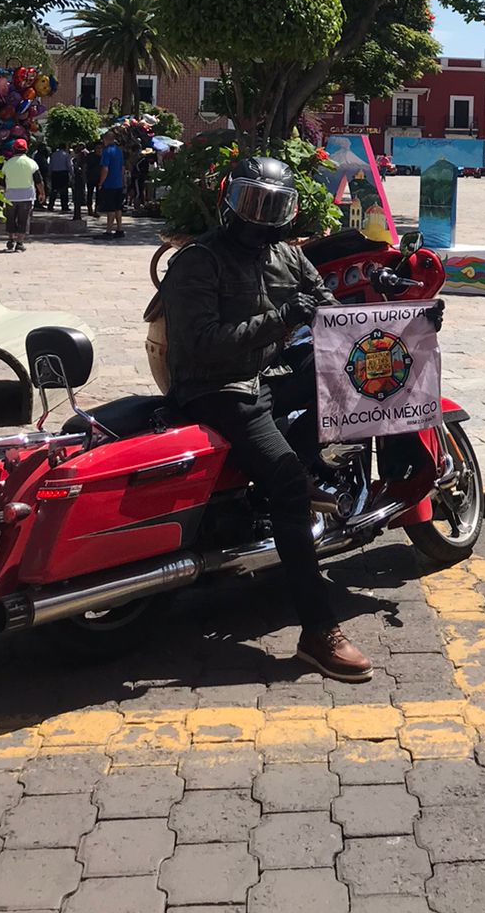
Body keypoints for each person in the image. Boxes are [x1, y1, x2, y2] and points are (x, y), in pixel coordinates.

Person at [157, 157, 373, 682]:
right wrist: (284, 317)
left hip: (266, 375)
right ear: (229, 200)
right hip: (217, 388)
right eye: (254, 203)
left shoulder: (287, 255)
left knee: (350, 376)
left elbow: (332, 314)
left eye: (275, 206)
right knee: (285, 481)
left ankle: (306, 463)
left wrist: (405, 323)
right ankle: (318, 631)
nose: (263, 217)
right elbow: (202, 344)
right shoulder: (197, 262)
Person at [3, 138, 44, 252]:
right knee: (23, 220)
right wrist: (42, 193)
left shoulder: (7, 163)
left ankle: (11, 240)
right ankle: (19, 243)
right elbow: (38, 181)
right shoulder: (32, 163)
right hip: (26, 196)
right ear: (26, 149)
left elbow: (2, 182)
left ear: (13, 149)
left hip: (10, 196)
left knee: (10, 219)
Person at [97, 135, 126, 238]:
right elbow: (122, 168)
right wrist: (123, 181)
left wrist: (101, 183)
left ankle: (109, 231)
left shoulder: (106, 151)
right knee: (118, 208)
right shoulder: (119, 151)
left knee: (110, 208)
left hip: (109, 184)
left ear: (106, 140)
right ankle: (119, 229)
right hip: (118, 183)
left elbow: (105, 169)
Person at [47, 142, 71, 212]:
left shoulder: (53, 155)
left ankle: (50, 205)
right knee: (64, 191)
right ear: (64, 148)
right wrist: (72, 174)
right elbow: (69, 165)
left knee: (54, 190)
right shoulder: (66, 155)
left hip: (55, 174)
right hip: (63, 173)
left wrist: (49, 173)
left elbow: (50, 165)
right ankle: (64, 206)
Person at [85, 140, 103, 216]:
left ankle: (96, 210)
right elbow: (85, 166)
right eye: (98, 148)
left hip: (100, 178)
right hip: (91, 177)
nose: (99, 150)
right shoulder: (90, 156)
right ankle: (90, 209)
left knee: (99, 195)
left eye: (101, 148)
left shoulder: (104, 156)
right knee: (90, 193)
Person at [71, 145, 87, 222]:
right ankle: (77, 214)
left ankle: (77, 213)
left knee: (80, 191)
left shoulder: (82, 154)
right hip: (79, 176)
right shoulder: (80, 155)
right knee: (79, 190)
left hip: (80, 176)